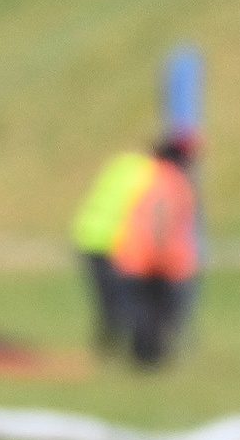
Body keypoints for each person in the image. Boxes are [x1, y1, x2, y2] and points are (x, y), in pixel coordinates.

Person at [72, 132, 200, 365]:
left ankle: (112, 351)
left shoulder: (128, 165)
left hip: (95, 238)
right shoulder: (161, 177)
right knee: (134, 307)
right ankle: (133, 355)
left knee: (115, 306)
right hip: (121, 246)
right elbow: (158, 221)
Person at [110, 132, 200, 368]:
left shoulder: (141, 174)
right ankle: (150, 359)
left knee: (140, 313)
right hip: (159, 259)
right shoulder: (173, 181)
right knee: (158, 314)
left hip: (135, 255)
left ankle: (143, 358)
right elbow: (165, 220)